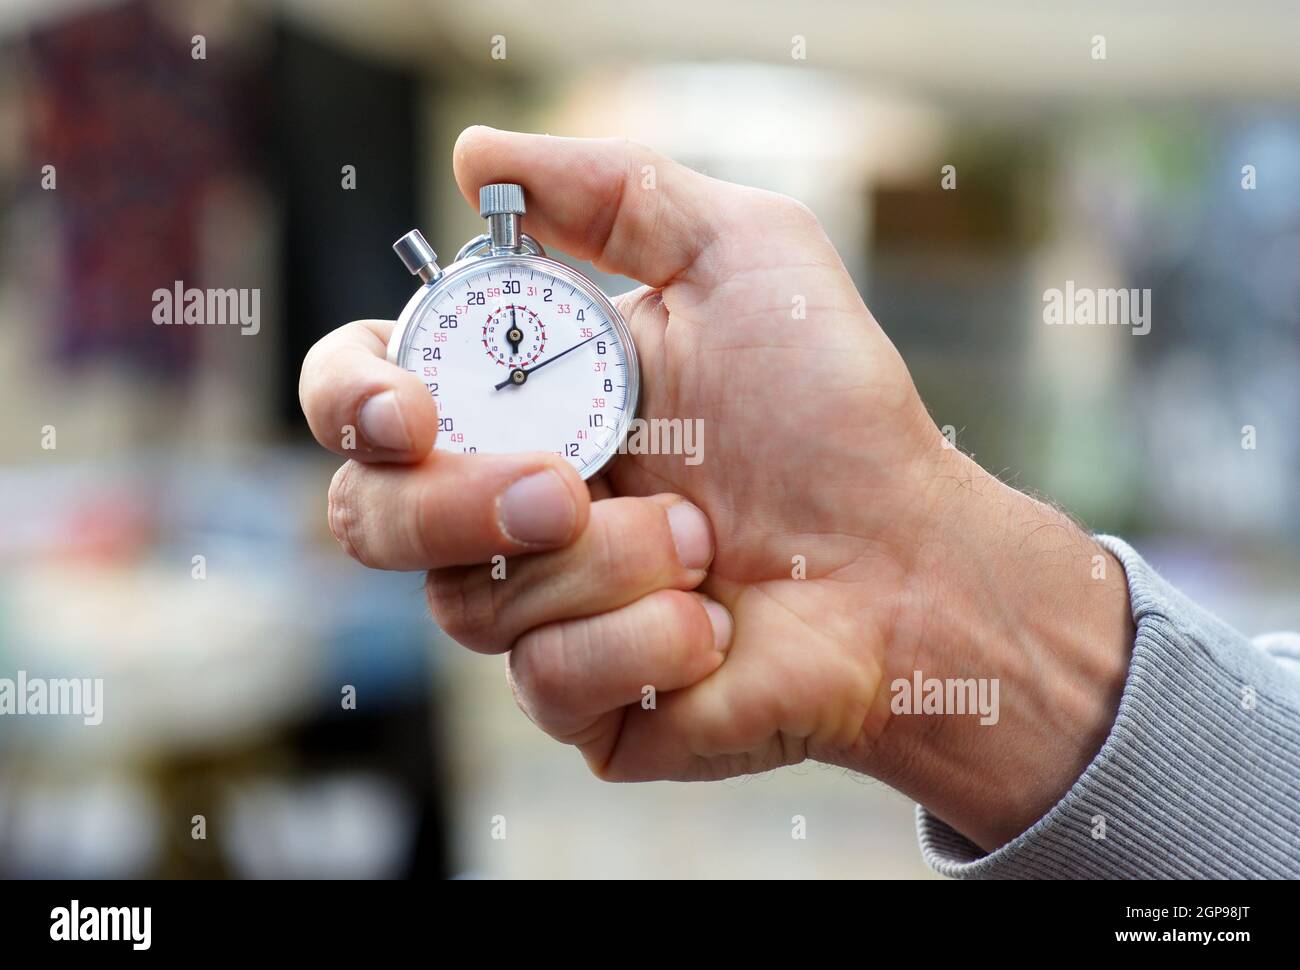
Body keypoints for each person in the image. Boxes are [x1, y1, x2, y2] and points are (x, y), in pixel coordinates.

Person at [299, 127, 1300, 878]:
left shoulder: (558, 336)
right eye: (498, 364)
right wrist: (923, 616)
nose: (516, 376)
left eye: (536, 357)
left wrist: (915, 596)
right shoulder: (484, 336)